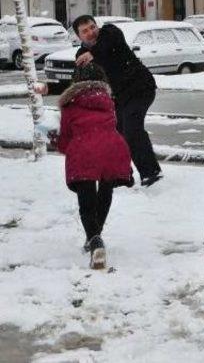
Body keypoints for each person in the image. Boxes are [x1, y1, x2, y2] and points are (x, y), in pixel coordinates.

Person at [53, 63, 133, 269]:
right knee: (105, 191)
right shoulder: (108, 102)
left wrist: (57, 143)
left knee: (86, 201)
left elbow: (65, 140)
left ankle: (95, 239)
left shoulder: (70, 105)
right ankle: (94, 238)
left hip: (84, 151)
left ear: (76, 82)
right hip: (112, 148)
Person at [72, 15, 162, 187]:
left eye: (92, 27)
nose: (91, 32)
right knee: (117, 136)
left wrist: (93, 53)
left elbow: (108, 44)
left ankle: (151, 173)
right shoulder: (81, 55)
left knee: (132, 129)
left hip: (140, 89)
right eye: (85, 31)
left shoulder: (109, 32)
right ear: (79, 36)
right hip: (119, 97)